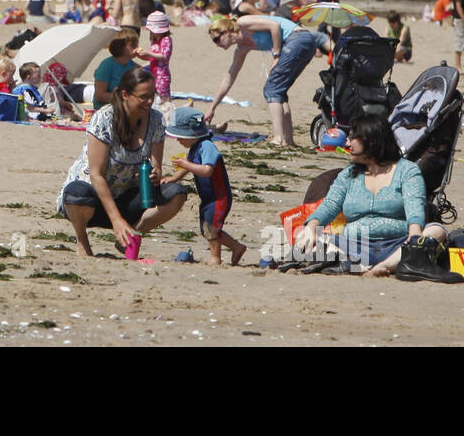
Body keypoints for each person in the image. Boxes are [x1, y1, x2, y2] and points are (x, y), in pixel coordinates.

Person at [294, 114, 451, 277]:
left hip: (398, 245)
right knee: (307, 238)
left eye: (352, 138)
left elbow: (415, 207)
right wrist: (312, 226)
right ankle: (363, 265)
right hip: (353, 245)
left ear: (371, 142)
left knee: (436, 231)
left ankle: (383, 266)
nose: (347, 143)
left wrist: (414, 238)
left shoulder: (407, 170)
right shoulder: (349, 174)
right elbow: (330, 205)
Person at [56, 68, 187, 257]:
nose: (149, 102)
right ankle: (82, 240)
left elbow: (156, 166)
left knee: (177, 193)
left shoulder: (156, 120)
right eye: (143, 97)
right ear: (125, 94)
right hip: (93, 200)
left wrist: (156, 173)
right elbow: (96, 175)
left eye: (152, 96)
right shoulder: (104, 118)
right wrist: (116, 219)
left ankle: (132, 236)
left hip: (127, 197)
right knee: (76, 193)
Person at [205, 15, 330, 147]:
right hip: (303, 43)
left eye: (217, 40)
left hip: (298, 38)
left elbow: (274, 26)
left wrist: (276, 55)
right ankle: (288, 141)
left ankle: (278, 139)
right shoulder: (242, 48)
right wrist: (212, 107)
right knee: (279, 92)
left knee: (271, 89)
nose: (217, 45)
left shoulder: (243, 23)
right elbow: (229, 77)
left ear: (226, 32)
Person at [162, 108, 246, 266]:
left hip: (219, 197)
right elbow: (188, 167)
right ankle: (237, 247)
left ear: (191, 134)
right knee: (207, 228)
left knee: (211, 227)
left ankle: (215, 258)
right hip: (208, 197)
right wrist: (174, 178)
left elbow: (207, 170)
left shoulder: (207, 147)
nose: (178, 140)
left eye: (180, 137)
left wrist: (186, 163)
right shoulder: (195, 148)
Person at [135, 11, 174, 116]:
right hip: (153, 74)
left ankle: (170, 120)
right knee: (152, 97)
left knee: (165, 99)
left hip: (162, 75)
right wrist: (141, 56)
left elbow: (164, 57)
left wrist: (147, 52)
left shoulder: (166, 40)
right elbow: (151, 57)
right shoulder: (155, 41)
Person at [93, 31, 139, 110]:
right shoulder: (107, 65)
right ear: (121, 47)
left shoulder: (133, 65)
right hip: (105, 109)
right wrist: (127, 98)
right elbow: (100, 96)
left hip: (124, 108)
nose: (137, 48)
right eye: (133, 45)